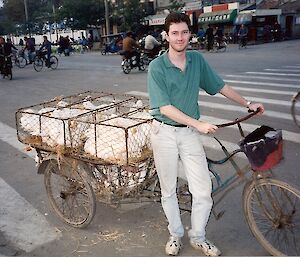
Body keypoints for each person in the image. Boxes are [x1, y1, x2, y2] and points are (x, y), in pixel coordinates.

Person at [147, 12, 264, 257]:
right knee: (168, 189)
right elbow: (165, 107)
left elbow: (219, 85)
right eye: (175, 33)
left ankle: (198, 236)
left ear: (190, 33)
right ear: (166, 36)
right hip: (164, 132)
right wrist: (198, 124)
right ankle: (175, 234)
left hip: (188, 133)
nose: (180, 37)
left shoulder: (197, 60)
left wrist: (247, 103)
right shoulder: (156, 67)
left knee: (202, 189)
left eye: (184, 32)